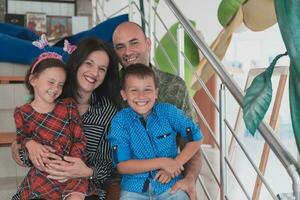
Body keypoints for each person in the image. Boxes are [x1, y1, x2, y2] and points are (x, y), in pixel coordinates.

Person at [11, 38, 121, 200]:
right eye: (89, 63)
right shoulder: (52, 95)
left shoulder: (109, 113)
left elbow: (110, 167)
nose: (94, 73)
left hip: (84, 188)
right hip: (43, 184)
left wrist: (87, 172)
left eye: (102, 69)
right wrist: (25, 147)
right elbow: (25, 149)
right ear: (77, 63)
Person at [112, 21, 202, 199]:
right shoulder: (109, 87)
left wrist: (189, 179)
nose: (127, 52)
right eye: (120, 47)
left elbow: (191, 140)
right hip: (126, 182)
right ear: (124, 94)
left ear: (148, 43)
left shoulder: (174, 87)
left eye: (134, 42)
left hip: (168, 180)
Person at [12, 51, 88, 200]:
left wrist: (67, 166)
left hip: (71, 171)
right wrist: (30, 143)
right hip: (43, 175)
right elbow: (21, 139)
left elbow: (80, 140)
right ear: (33, 80)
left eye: (60, 84)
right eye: (51, 82)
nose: (56, 88)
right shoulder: (22, 113)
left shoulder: (68, 106)